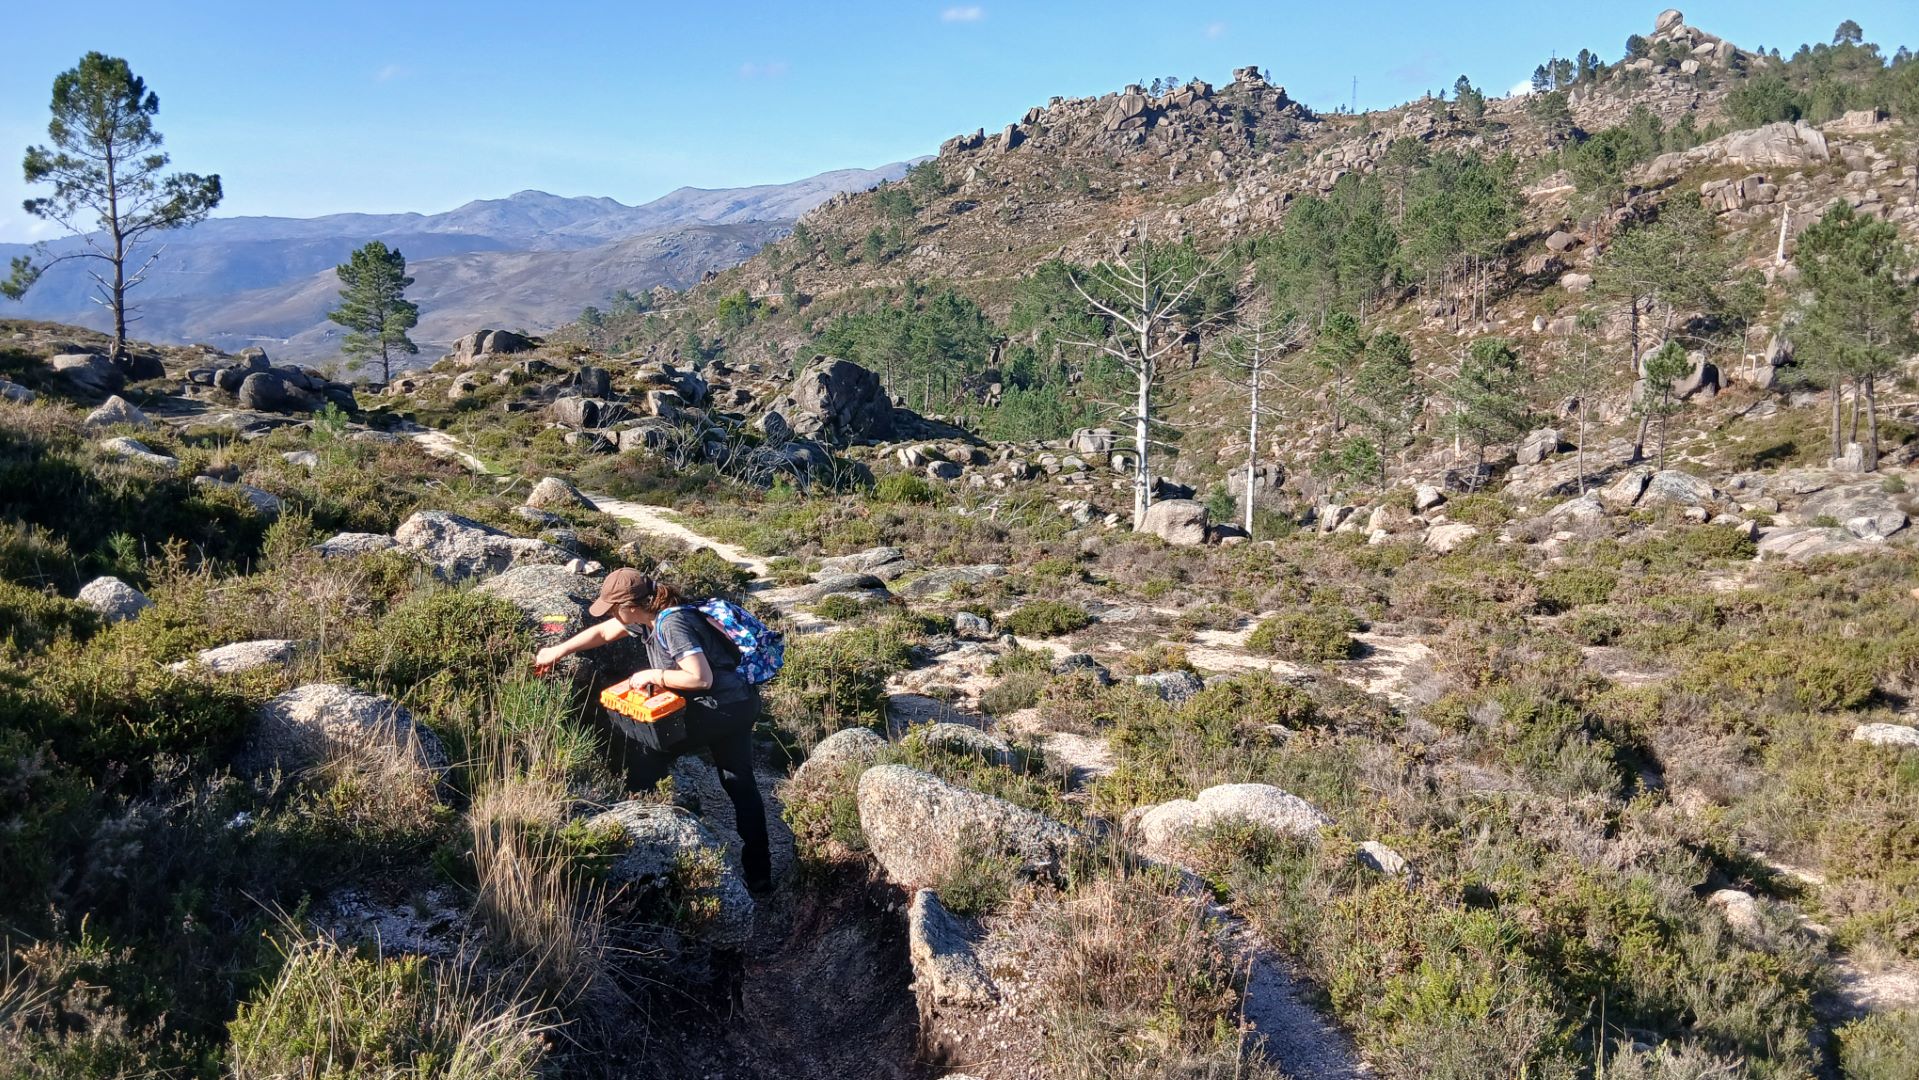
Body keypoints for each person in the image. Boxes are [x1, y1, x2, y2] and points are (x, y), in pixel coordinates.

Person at [533, 567, 773, 895]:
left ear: (632, 606)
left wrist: (652, 675)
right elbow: (603, 633)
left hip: (719, 709)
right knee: (739, 783)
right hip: (738, 702)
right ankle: (760, 877)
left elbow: (700, 678)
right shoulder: (650, 616)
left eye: (615, 608)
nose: (615, 614)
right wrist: (557, 650)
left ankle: (644, 845)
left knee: (645, 751)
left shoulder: (672, 624)